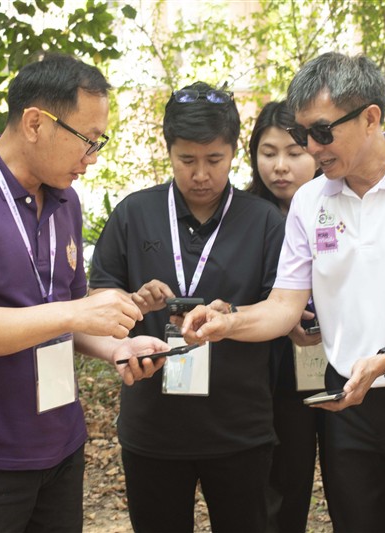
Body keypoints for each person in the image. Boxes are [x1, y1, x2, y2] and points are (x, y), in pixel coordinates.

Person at [183, 52, 385, 532]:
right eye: (304, 132)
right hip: (348, 403)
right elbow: (284, 306)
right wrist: (230, 323)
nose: (312, 146)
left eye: (323, 132)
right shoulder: (311, 200)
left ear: (370, 118)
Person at [0, 54, 168, 533]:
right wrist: (74, 313)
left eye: (100, 141)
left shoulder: (66, 201)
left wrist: (117, 347)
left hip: (59, 443)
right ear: (35, 123)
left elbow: (71, 319)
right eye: (87, 140)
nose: (93, 157)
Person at [88, 81, 285, 532]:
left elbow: (281, 309)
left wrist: (232, 318)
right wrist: (131, 303)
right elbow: (98, 300)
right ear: (169, 151)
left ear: (234, 152)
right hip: (153, 428)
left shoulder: (263, 221)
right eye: (187, 160)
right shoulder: (134, 214)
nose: (200, 174)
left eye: (214, 160)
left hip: (239, 428)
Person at [246, 101, 325, 533]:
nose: (280, 166)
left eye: (294, 153)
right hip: (268, 377)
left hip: (339, 364)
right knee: (279, 484)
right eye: (268, 152)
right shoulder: (241, 216)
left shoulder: (337, 203)